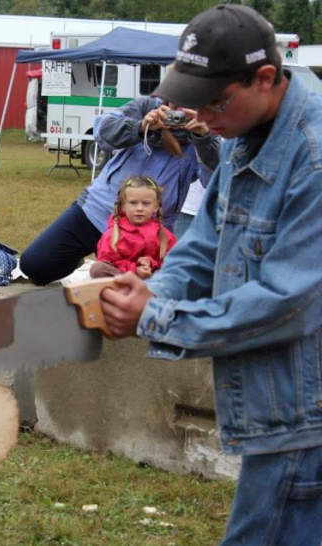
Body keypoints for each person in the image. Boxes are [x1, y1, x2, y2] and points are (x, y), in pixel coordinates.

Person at [100, 6, 322, 546]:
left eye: (213, 102)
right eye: (192, 102)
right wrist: (155, 287)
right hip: (286, 405)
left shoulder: (313, 156)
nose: (201, 116)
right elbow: (204, 244)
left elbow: (289, 300)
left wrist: (156, 316)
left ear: (265, 78)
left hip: (307, 414)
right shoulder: (249, 130)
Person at [19, 83, 220, 286]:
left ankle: (112, 268)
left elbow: (215, 180)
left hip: (148, 231)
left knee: (141, 287)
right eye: (176, 100)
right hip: (95, 211)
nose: (178, 112)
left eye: (188, 103)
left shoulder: (205, 132)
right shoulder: (145, 107)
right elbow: (102, 130)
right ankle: (86, 257)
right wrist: (141, 127)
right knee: (34, 266)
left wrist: (204, 139)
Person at [89, 176, 177, 279]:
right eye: (133, 203)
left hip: (153, 281)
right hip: (123, 280)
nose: (139, 208)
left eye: (146, 204)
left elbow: (173, 263)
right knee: (98, 269)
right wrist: (135, 269)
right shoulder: (112, 235)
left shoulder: (165, 236)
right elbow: (109, 262)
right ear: (123, 206)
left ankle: (151, 290)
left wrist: (151, 264)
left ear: (156, 206)